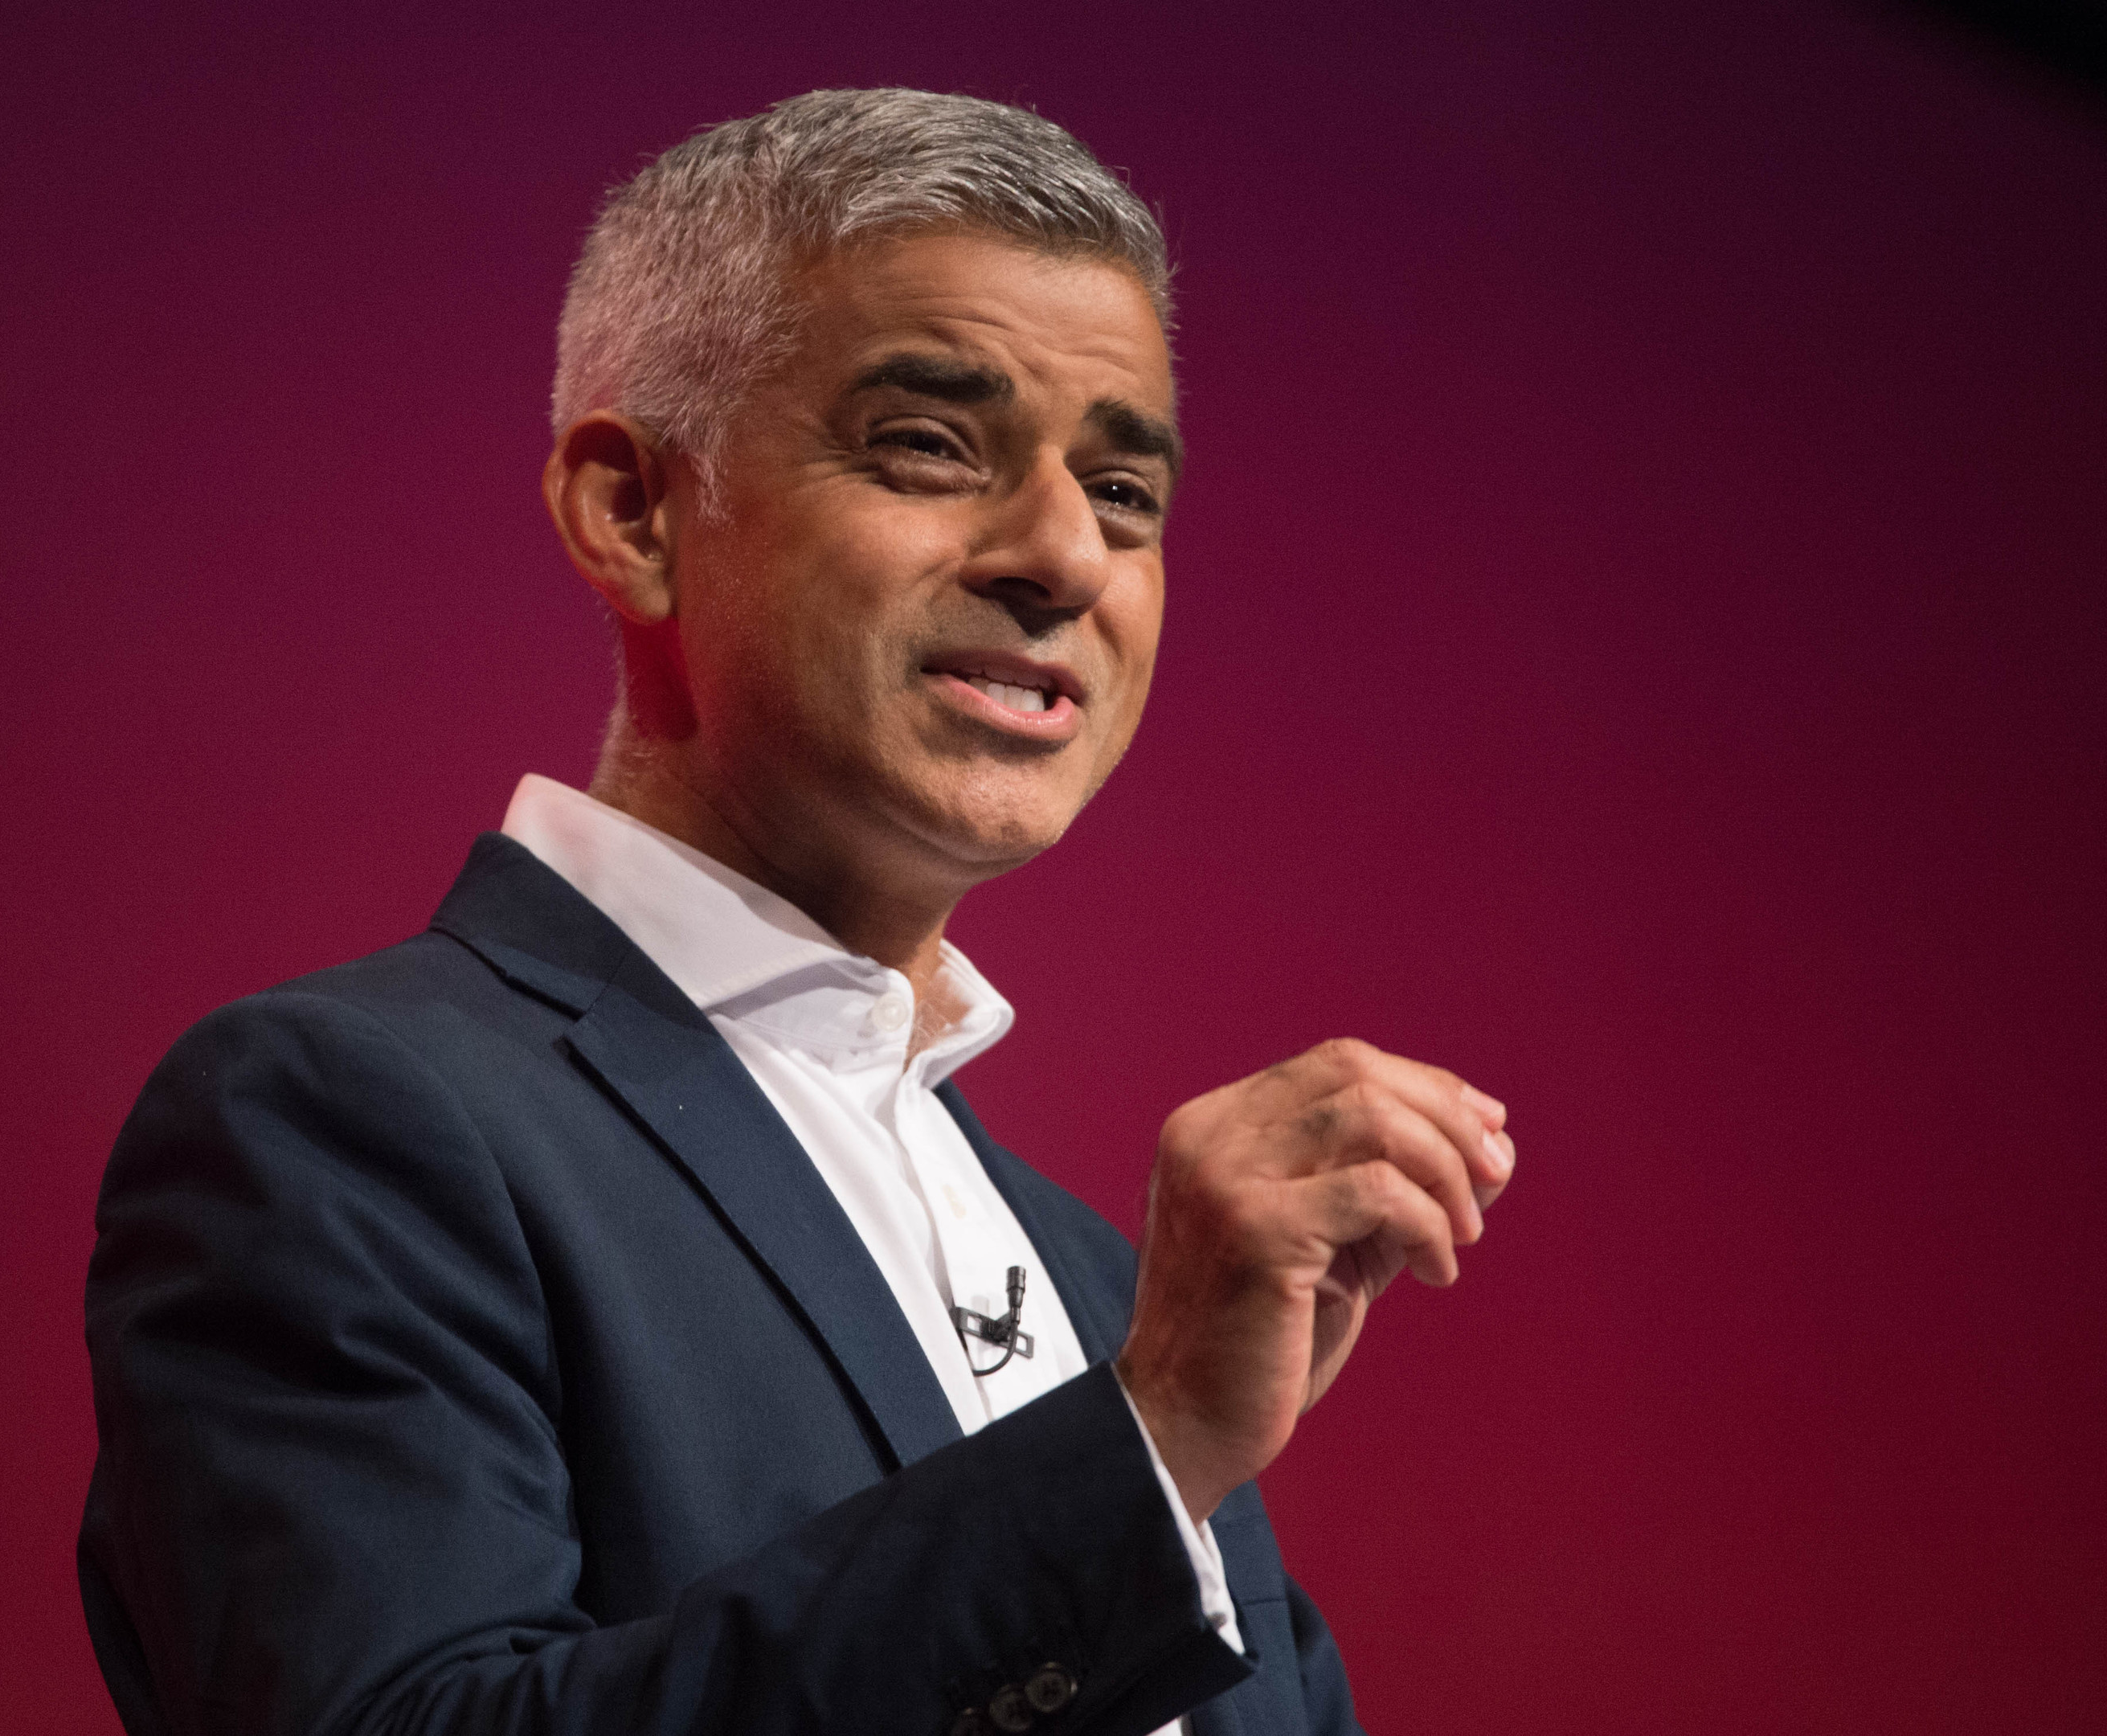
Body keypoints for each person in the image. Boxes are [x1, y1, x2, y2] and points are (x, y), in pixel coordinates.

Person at [79, 88, 1515, 1736]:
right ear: (633, 514)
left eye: (1126, 492)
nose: (1065, 554)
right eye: (928, 446)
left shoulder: (1103, 1282)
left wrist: (1151, 1424)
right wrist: (1143, 1448)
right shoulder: (348, 1121)